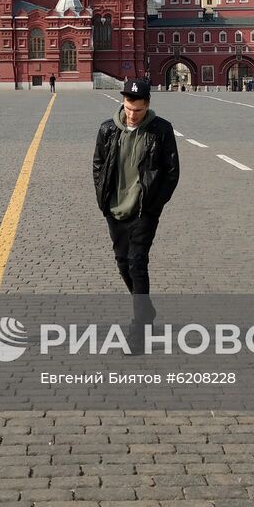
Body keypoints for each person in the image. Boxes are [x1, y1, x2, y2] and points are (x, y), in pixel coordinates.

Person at [92, 77, 180, 353]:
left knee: (137, 263)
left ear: (148, 106)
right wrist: (103, 200)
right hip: (115, 207)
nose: (132, 114)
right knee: (122, 263)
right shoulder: (108, 129)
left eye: (138, 110)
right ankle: (147, 310)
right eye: (129, 108)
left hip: (144, 209)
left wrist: (156, 203)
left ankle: (139, 331)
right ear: (123, 103)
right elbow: (98, 165)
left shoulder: (161, 130)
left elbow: (172, 172)